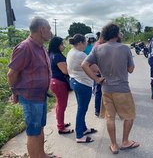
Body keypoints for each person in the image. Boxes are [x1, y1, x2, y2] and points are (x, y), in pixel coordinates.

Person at [81, 23, 139, 154]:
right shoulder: (125, 48)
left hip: (106, 88)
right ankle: (125, 141)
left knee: (110, 117)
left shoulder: (98, 49)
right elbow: (131, 69)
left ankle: (113, 145)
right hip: (122, 88)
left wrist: (96, 79)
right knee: (129, 115)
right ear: (117, 34)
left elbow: (84, 64)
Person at [7, 17, 61, 158]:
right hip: (30, 97)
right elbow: (12, 74)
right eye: (49, 29)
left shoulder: (41, 47)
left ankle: (41, 154)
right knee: (33, 131)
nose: (51, 32)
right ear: (42, 30)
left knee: (40, 127)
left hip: (41, 95)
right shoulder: (25, 47)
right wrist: (14, 92)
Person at [66, 34, 97, 143]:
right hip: (82, 83)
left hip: (75, 81)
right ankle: (79, 135)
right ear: (80, 43)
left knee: (81, 107)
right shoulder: (81, 54)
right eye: (85, 43)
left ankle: (83, 129)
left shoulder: (71, 52)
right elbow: (94, 68)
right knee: (82, 109)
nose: (86, 45)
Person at [48, 36, 73, 134]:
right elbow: (65, 71)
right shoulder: (57, 56)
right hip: (59, 83)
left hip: (54, 81)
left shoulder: (51, 54)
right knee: (62, 105)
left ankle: (60, 123)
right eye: (62, 44)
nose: (63, 46)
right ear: (57, 45)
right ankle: (61, 127)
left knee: (59, 104)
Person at [91, 31, 105, 117]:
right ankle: (98, 110)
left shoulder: (99, 44)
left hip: (100, 71)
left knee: (100, 91)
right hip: (99, 72)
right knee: (99, 91)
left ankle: (99, 109)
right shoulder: (98, 46)